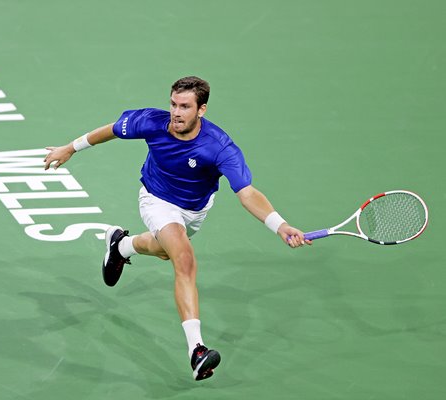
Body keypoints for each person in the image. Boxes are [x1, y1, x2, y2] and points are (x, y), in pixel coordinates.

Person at [43, 76, 311, 381]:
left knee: (163, 250)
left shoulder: (219, 146)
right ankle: (197, 350)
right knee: (184, 257)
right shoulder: (151, 123)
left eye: (185, 106)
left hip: (195, 211)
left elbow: (247, 193)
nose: (176, 112)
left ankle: (121, 246)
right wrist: (70, 148)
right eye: (173, 104)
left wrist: (279, 225)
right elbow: (111, 130)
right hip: (156, 199)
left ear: (202, 110)